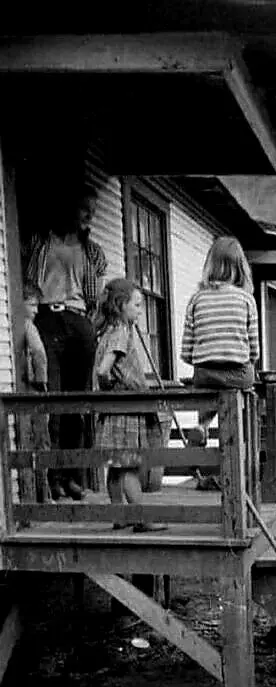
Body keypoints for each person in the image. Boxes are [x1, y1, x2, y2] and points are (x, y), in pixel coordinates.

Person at [24, 184, 108, 501]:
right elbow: (27, 281)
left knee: (77, 405)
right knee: (54, 403)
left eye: (93, 211)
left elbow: (97, 296)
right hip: (47, 318)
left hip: (78, 319)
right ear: (68, 209)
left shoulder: (93, 251)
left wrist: (90, 324)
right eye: (84, 209)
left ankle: (73, 476)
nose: (90, 216)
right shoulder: (39, 240)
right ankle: (53, 478)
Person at [93, 278, 165, 533]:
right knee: (129, 467)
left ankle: (118, 515)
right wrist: (112, 385)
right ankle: (141, 518)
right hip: (125, 409)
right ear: (121, 305)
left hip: (112, 412)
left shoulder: (108, 331)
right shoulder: (121, 332)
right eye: (136, 304)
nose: (139, 310)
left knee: (115, 467)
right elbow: (104, 370)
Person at [180, 236, 260, 447]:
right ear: (241, 268)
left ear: (210, 265)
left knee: (207, 390)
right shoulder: (246, 299)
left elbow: (186, 351)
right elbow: (254, 350)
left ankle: (203, 427)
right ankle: (241, 434)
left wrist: (207, 358)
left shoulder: (196, 299)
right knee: (246, 385)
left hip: (205, 374)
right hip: (237, 374)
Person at [17, 285, 51, 502]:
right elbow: (38, 352)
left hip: (19, 389)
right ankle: (43, 495)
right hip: (31, 389)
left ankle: (29, 497)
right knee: (41, 440)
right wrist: (42, 382)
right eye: (32, 305)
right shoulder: (27, 325)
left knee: (25, 443)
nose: (36, 310)